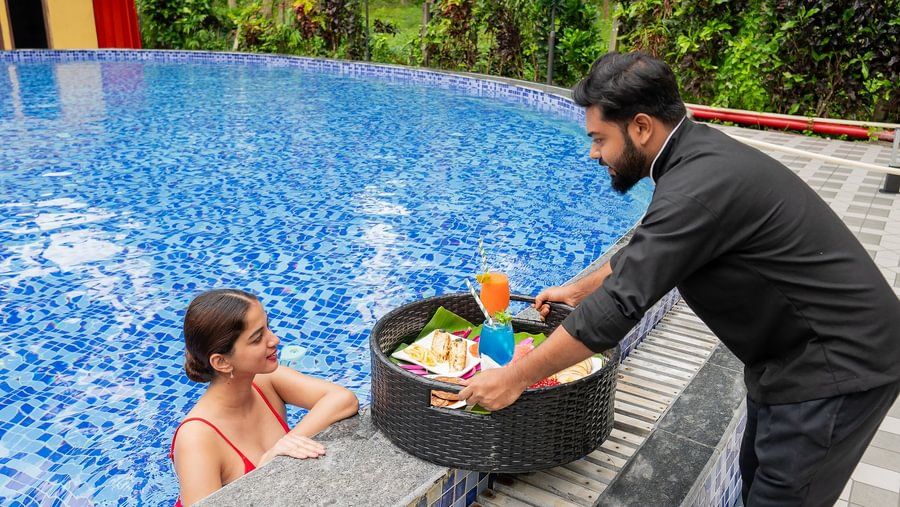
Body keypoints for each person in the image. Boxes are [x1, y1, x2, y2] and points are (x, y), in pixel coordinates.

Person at [458, 51, 900, 505]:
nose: (594, 153)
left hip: (838, 362)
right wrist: (577, 288)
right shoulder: (698, 158)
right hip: (791, 357)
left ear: (642, 127)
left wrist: (515, 377)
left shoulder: (696, 186)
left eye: (599, 138)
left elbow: (617, 309)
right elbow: (654, 250)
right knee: (755, 480)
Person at [170, 289, 359, 506]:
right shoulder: (197, 439)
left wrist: (282, 446)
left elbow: (343, 399)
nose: (275, 340)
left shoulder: (264, 381)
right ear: (222, 362)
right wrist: (264, 469)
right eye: (258, 338)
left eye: (268, 326)